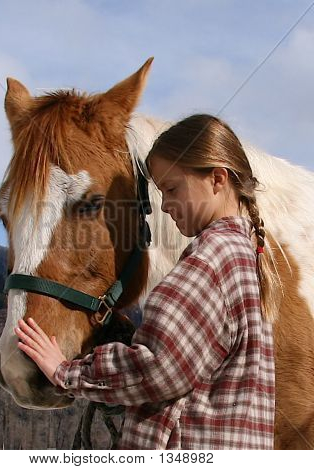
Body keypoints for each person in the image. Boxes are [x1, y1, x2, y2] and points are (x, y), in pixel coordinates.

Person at [14, 114, 278, 450]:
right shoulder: (244, 255)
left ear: (217, 178)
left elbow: (162, 368)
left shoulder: (211, 257)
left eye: (171, 189)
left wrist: (66, 372)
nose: (165, 205)